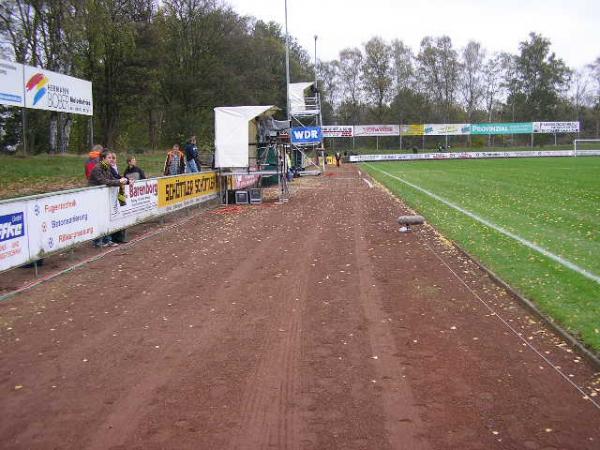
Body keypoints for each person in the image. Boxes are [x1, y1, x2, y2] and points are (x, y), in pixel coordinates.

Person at [88, 149, 130, 247]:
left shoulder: (107, 167)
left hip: (103, 197)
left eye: (112, 158)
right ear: (103, 159)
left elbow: (112, 178)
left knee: (106, 217)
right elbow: (104, 181)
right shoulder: (97, 168)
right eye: (109, 158)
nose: (111, 160)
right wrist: (119, 182)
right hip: (94, 196)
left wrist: (125, 181)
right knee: (97, 218)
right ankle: (97, 241)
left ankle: (107, 239)